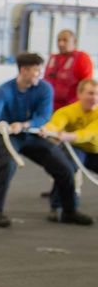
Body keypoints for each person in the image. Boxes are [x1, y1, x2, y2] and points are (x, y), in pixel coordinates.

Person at [0, 52, 92, 227]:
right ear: (24, 70)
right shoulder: (4, 90)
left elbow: (44, 116)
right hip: (8, 137)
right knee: (8, 165)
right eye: (36, 70)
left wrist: (24, 125)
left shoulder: (44, 88)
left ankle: (69, 211)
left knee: (65, 167)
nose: (40, 74)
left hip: (32, 136)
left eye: (40, 70)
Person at [41, 78, 98, 218]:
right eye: (90, 93)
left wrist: (69, 136)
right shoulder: (66, 111)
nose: (94, 98)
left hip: (95, 150)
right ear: (79, 94)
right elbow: (55, 124)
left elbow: (90, 133)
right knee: (64, 169)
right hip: (76, 149)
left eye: (97, 94)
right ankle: (56, 206)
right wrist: (46, 130)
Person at [44, 30, 94, 110]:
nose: (61, 44)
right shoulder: (53, 58)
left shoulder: (82, 58)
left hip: (71, 108)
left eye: (65, 40)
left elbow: (87, 85)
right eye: (59, 40)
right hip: (49, 107)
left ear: (74, 42)